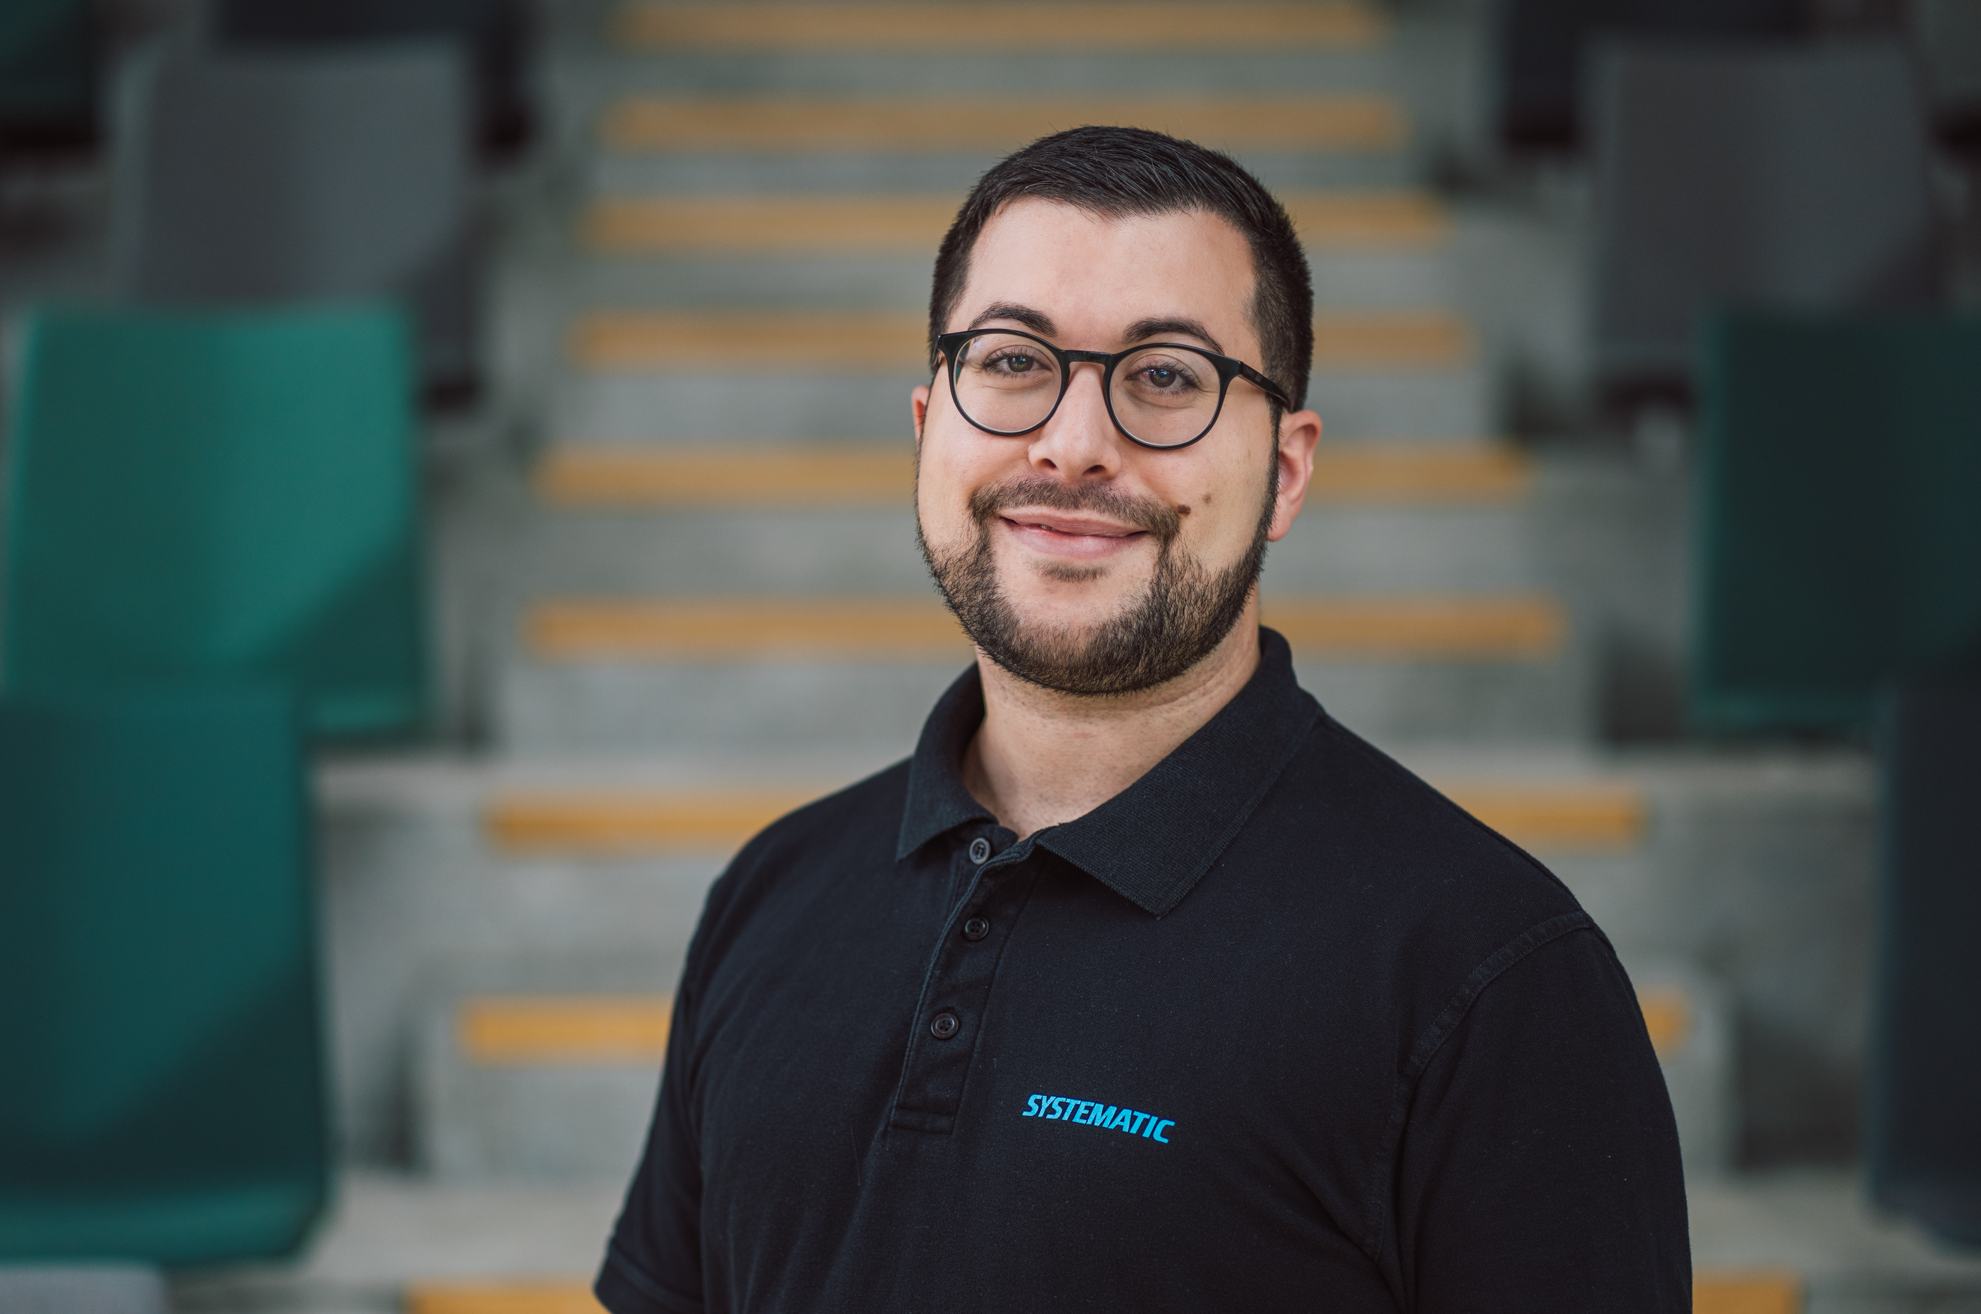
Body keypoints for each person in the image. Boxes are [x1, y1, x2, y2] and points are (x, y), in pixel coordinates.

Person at [596, 125, 1689, 1313]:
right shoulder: (771, 891)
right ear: (926, 429)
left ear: (1283, 470)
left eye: (1165, 376)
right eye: (1011, 361)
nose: (1070, 445)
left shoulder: (1487, 978)